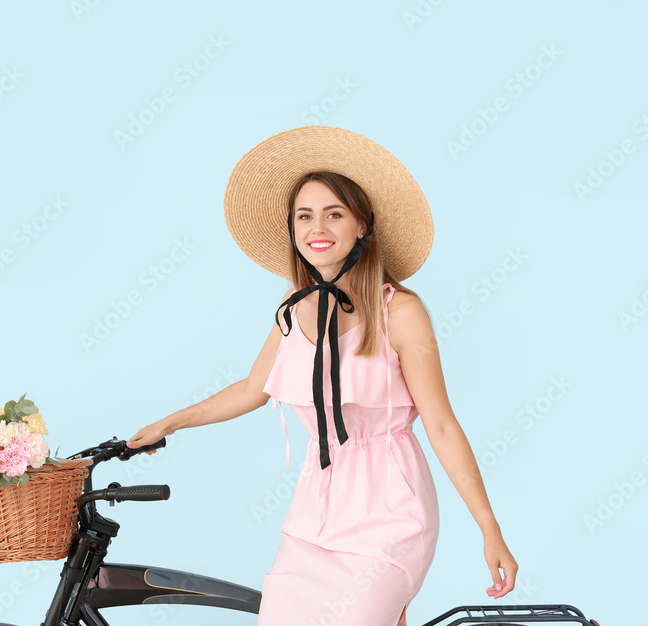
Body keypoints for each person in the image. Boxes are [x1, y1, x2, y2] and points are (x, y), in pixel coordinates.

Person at [128, 125, 517, 625]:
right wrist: (171, 422)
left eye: (335, 213)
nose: (318, 227)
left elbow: (441, 425)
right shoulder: (293, 311)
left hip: (390, 511)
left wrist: (489, 528)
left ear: (362, 225)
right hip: (315, 512)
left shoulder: (399, 311)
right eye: (305, 216)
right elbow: (252, 389)